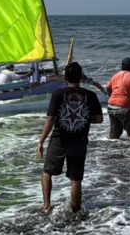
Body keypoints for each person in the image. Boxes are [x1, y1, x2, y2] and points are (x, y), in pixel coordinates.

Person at [37, 61, 103, 214]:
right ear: (80, 77)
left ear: (65, 77)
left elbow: (51, 119)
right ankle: (75, 212)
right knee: (75, 179)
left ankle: (46, 206)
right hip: (79, 141)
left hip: (59, 139)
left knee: (47, 172)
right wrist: (83, 119)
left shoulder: (58, 94)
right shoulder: (91, 95)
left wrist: (41, 141)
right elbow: (99, 119)